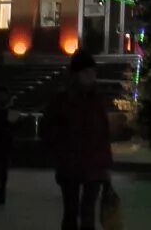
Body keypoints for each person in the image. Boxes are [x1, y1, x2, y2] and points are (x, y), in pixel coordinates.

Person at [42, 48, 113, 230]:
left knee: (88, 214)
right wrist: (61, 155)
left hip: (94, 165)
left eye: (93, 72)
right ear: (76, 75)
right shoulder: (62, 101)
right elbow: (48, 130)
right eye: (87, 72)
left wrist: (105, 165)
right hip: (70, 166)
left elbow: (103, 133)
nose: (92, 77)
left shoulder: (97, 100)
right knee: (71, 212)